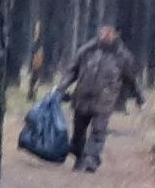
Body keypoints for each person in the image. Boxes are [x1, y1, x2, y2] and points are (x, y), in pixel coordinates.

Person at [60, 24, 144, 174]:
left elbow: (132, 79)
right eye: (103, 32)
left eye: (109, 32)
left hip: (104, 100)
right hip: (82, 97)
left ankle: (91, 160)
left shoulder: (122, 56)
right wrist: (62, 87)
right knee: (78, 131)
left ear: (115, 35)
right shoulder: (86, 51)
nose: (105, 35)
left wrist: (139, 97)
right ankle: (79, 157)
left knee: (98, 131)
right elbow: (73, 71)